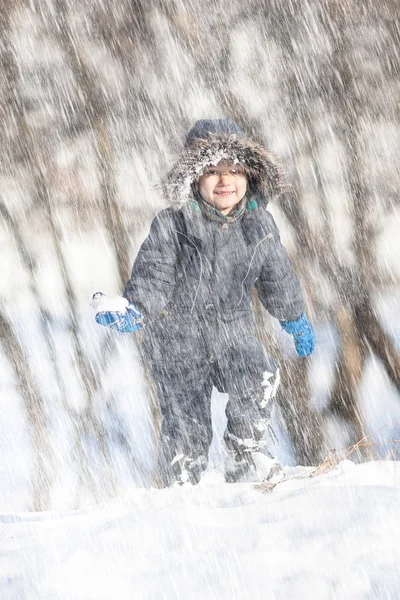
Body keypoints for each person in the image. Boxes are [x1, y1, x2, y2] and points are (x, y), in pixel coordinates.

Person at [92, 119, 316, 487]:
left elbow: (277, 276)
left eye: (234, 170)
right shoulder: (172, 224)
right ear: (194, 178)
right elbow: (154, 272)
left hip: (233, 333)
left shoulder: (259, 226)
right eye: (212, 171)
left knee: (258, 377)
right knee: (186, 423)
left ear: (250, 175)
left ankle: (244, 453)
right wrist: (137, 306)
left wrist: (294, 317)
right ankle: (182, 479)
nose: (225, 180)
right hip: (177, 341)